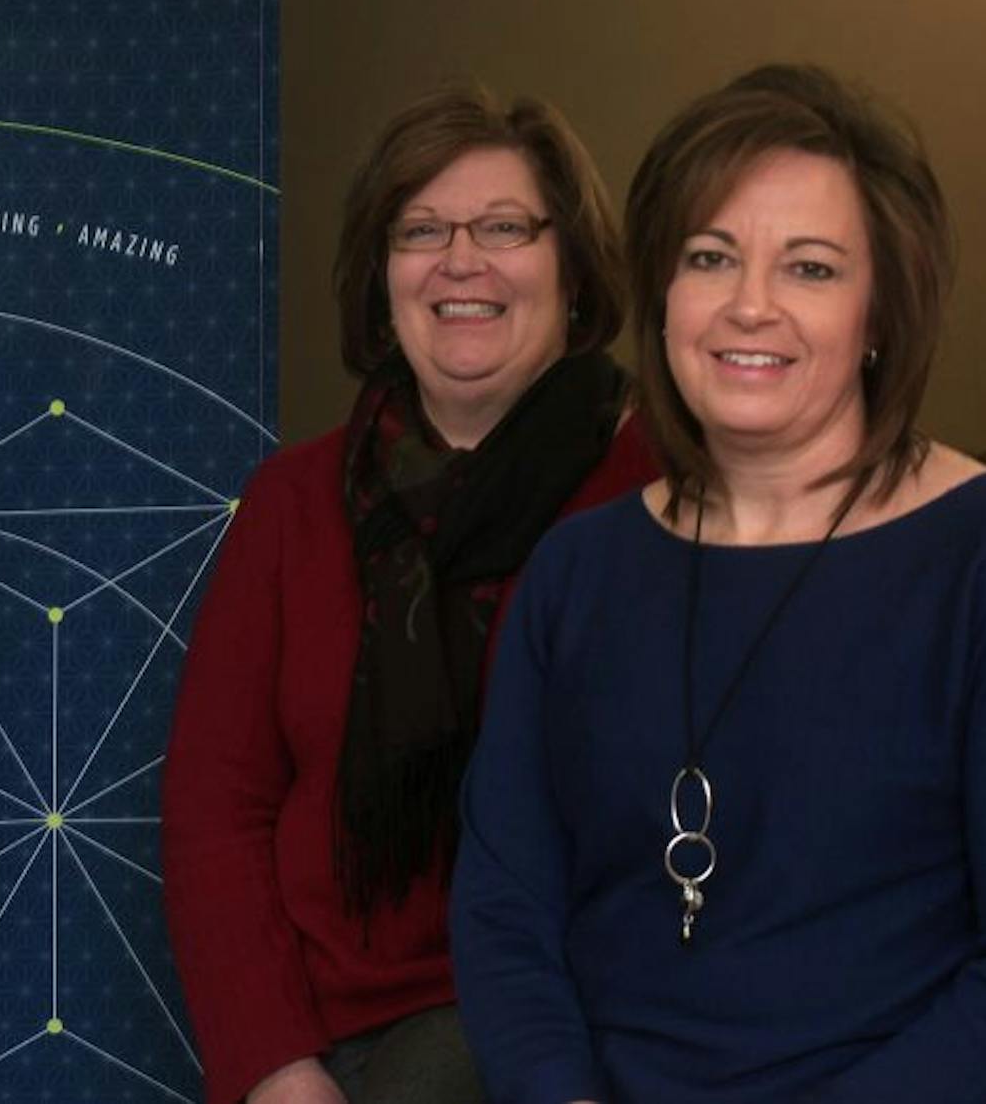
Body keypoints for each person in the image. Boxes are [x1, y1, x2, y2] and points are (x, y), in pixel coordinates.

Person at [451, 64, 986, 1102]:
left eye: (811, 268)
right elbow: (506, 911)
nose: (750, 306)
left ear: (880, 312)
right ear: (666, 296)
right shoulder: (576, 573)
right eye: (710, 257)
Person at [162, 86, 658, 1104]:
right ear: (382, 279)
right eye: (420, 230)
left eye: (505, 227)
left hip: (574, 1025)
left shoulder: (664, 496)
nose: (459, 260)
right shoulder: (293, 502)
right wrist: (274, 1067)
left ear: (573, 271)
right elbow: (216, 806)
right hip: (324, 1041)